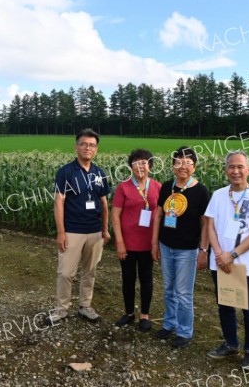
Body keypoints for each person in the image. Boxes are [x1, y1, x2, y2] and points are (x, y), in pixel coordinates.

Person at [204, 150, 249, 367]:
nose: (235, 171)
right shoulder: (219, 195)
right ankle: (231, 344)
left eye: (240, 167)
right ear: (225, 171)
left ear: (248, 170)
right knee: (225, 303)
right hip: (220, 262)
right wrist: (218, 253)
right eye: (231, 167)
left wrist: (231, 255)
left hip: (243, 263)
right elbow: (210, 225)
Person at [47, 128, 111, 325]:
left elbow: (104, 203)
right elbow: (59, 202)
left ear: (96, 149)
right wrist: (61, 232)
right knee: (66, 272)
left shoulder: (99, 173)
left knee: (89, 271)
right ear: (76, 147)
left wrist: (105, 229)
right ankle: (61, 308)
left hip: (94, 231)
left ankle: (85, 306)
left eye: (92, 145)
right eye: (83, 144)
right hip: (72, 230)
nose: (87, 148)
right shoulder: (66, 172)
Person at [151, 146, 210, 348]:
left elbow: (206, 224)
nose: (182, 167)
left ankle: (185, 331)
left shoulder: (201, 191)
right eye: (178, 162)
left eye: (187, 163)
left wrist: (204, 250)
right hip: (166, 246)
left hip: (187, 250)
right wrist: (154, 243)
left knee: (183, 292)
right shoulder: (167, 187)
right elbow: (158, 215)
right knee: (168, 289)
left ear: (194, 167)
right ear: (173, 165)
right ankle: (169, 324)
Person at [111, 149, 162, 332]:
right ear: (130, 166)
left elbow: (161, 214)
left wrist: (157, 243)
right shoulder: (123, 187)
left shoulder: (157, 186)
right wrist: (120, 242)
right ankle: (129, 312)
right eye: (136, 162)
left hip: (149, 243)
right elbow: (115, 215)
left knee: (147, 279)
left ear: (150, 166)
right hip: (128, 243)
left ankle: (145, 315)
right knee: (128, 278)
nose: (140, 166)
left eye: (144, 162)